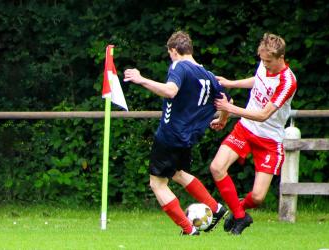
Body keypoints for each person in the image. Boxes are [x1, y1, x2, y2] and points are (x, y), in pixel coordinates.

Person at [124, 31, 230, 236]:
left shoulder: (179, 66)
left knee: (157, 183)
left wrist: (141, 79)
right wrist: (223, 119)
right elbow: (226, 101)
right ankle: (216, 209)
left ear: (174, 51)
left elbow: (170, 91)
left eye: (170, 53)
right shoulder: (207, 75)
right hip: (188, 138)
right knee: (178, 173)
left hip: (170, 134)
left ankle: (189, 229)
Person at [209, 33, 297, 235]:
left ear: (280, 58)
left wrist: (229, 109)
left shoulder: (287, 81)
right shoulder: (264, 65)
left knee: (257, 197)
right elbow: (257, 81)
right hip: (246, 128)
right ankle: (240, 217)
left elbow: (264, 115)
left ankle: (239, 209)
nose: (264, 65)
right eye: (262, 60)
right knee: (216, 167)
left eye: (268, 61)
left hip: (270, 140)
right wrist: (231, 83)